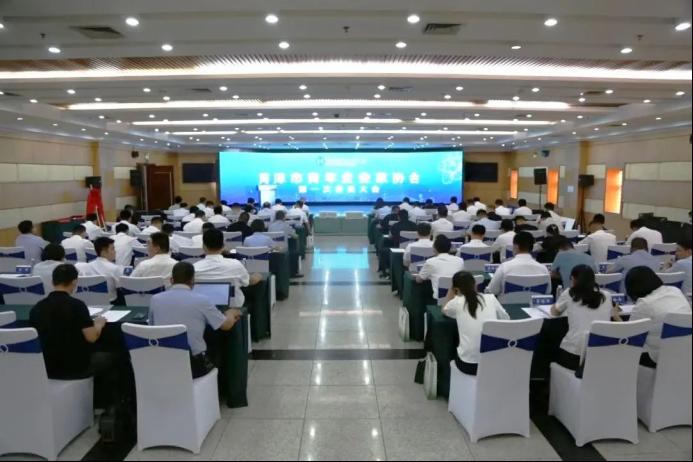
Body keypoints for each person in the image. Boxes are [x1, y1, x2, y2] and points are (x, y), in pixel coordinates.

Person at [30, 264, 120, 408]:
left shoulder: (37, 307)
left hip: (47, 366)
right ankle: (104, 404)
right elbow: (92, 337)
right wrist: (99, 324)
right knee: (115, 356)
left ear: (53, 282)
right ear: (74, 282)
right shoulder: (77, 305)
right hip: (75, 367)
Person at [148, 262, 243, 379]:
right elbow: (226, 326)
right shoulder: (202, 300)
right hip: (194, 366)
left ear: (171, 280)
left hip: (161, 361)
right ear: (193, 280)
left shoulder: (155, 299)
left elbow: (151, 327)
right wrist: (231, 313)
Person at [620, 266, 692, 367]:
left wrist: (616, 317)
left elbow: (629, 337)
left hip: (658, 358)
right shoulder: (675, 291)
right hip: (686, 352)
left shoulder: (644, 304)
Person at [442, 271, 509, 375]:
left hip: (468, 365)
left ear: (456, 290)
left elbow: (444, 310)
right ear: (475, 285)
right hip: (493, 361)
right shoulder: (490, 298)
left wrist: (451, 290)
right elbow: (506, 319)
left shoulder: (456, 302)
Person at [550, 265, 612, 374]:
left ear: (573, 279)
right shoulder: (607, 296)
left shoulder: (569, 293)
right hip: (601, 355)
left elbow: (554, 312)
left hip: (574, 356)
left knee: (550, 348)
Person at [194, 229, 262, 308]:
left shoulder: (194, 268)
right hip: (233, 310)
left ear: (203, 246)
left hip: (203, 309)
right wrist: (258, 276)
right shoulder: (235, 265)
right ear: (223, 246)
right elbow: (249, 281)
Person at [78, 237, 123, 302]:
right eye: (112, 249)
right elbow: (122, 287)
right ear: (104, 251)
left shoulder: (87, 266)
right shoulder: (114, 268)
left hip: (91, 303)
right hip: (112, 303)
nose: (115, 251)